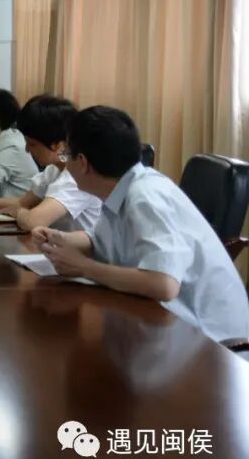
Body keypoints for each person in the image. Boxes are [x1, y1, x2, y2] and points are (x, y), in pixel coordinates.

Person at [34, 106, 249, 344]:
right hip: (169, 325)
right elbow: (99, 240)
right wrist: (58, 239)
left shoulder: (146, 196)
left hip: (213, 343)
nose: (66, 164)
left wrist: (84, 267)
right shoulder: (120, 189)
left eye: (67, 155)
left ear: (83, 162)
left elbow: (163, 284)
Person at [0, 95, 101, 232]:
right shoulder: (53, 170)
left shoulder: (76, 179)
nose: (27, 150)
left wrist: (19, 212)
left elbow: (32, 221)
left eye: (32, 144)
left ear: (59, 145)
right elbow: (22, 202)